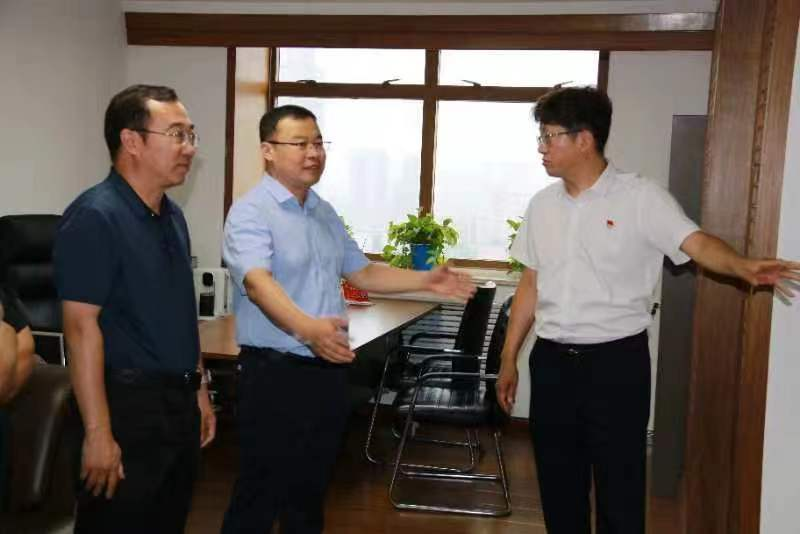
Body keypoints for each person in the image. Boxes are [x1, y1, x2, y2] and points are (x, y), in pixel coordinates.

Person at [495, 86, 800, 534]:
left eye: (550, 136)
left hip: (616, 365)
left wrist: (741, 266)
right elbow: (530, 285)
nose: (542, 147)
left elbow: (695, 243)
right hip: (552, 363)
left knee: (620, 488)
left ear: (585, 139)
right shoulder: (542, 206)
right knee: (559, 487)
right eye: (541, 137)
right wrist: (508, 359)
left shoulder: (641, 198)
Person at [221, 104, 475, 534]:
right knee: (259, 494)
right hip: (275, 374)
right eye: (299, 143)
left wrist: (426, 280)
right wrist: (307, 329)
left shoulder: (321, 210)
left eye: (318, 143)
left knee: (310, 491)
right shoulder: (251, 212)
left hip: (327, 369)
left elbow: (363, 273)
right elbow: (258, 284)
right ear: (267, 150)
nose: (313, 153)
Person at [54, 84, 216, 534]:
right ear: (131, 141)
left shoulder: (172, 216)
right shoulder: (95, 216)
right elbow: (80, 329)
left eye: (191, 135)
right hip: (125, 409)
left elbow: (180, 315)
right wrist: (98, 433)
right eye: (177, 134)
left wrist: (200, 391)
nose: (189, 148)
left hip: (177, 405)